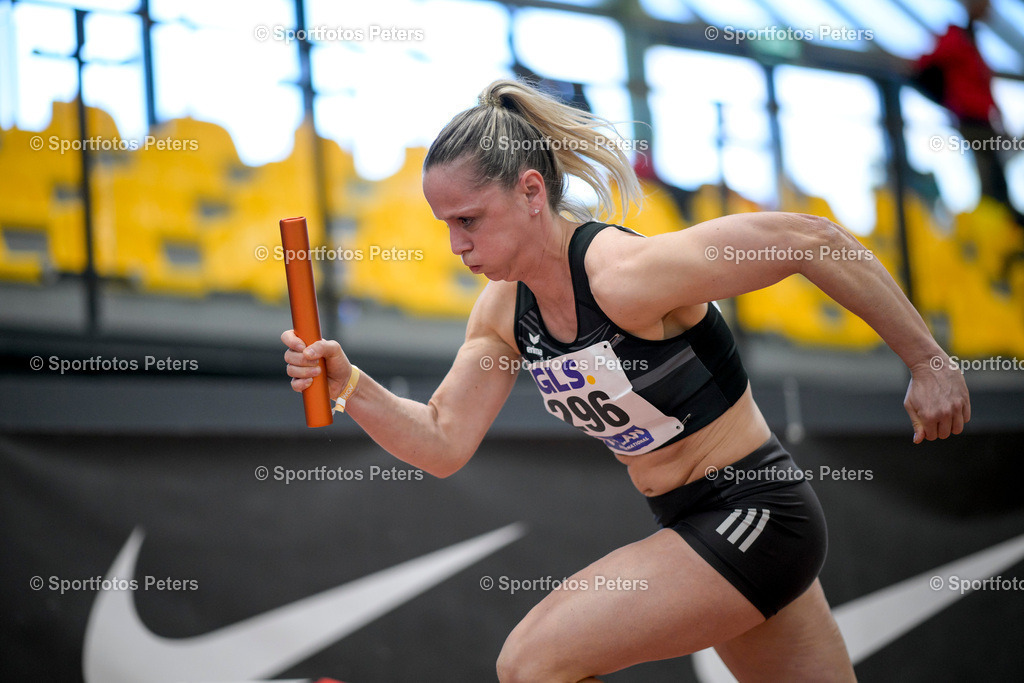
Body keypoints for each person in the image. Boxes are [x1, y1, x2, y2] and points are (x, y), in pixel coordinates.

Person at [282, 79, 970, 682]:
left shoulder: (624, 275)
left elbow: (809, 240)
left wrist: (929, 361)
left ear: (529, 191)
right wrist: (351, 384)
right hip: (700, 525)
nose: (456, 245)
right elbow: (442, 441)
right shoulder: (502, 311)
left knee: (530, 662)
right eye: (445, 225)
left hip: (755, 513)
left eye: (468, 220)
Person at [916, 0, 1022, 227]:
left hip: (983, 119)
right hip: (970, 118)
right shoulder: (956, 37)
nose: (989, 9)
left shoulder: (972, 38)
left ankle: (1004, 221)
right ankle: (1001, 224)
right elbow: (924, 65)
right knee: (991, 175)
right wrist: (951, 101)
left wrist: (998, 116)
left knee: (995, 174)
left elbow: (984, 84)